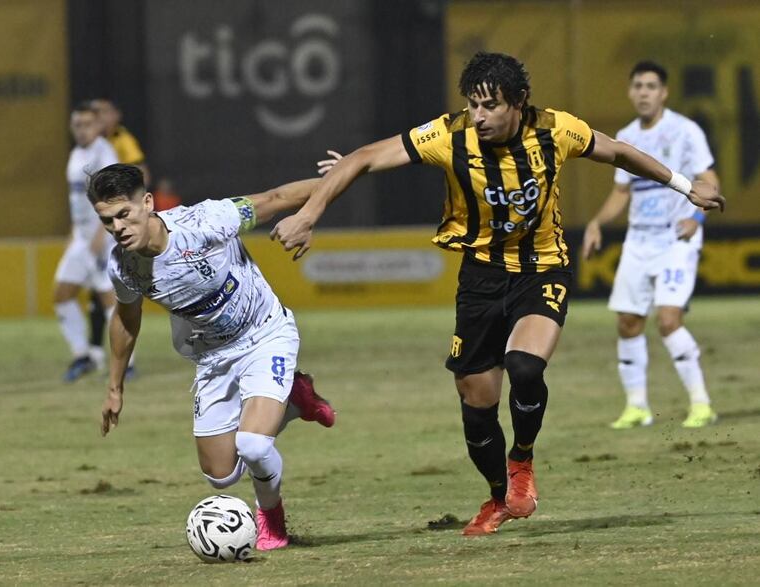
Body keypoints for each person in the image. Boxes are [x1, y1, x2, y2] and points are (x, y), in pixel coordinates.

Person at [271, 52, 724, 536]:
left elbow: (618, 151)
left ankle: (522, 462)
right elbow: (363, 159)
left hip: (542, 268)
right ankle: (497, 497)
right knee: (477, 404)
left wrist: (683, 186)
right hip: (481, 279)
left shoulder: (556, 129)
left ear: (519, 103)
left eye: (490, 106)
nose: (479, 116)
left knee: (526, 366)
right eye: (473, 105)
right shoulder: (451, 134)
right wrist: (309, 215)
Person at [89, 163, 335, 551]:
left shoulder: (206, 221)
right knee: (221, 476)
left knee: (253, 446)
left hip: (264, 333)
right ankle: (293, 399)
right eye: (107, 221)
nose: (118, 227)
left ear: (148, 203)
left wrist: (340, 178)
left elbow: (275, 199)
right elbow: (126, 318)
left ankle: (273, 522)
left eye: (124, 214)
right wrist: (114, 387)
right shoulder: (123, 266)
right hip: (211, 357)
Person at [582, 61, 720, 430]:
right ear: (630, 92)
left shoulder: (685, 131)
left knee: (669, 320)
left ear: (664, 92)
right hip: (638, 240)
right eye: (638, 86)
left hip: (677, 237)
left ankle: (701, 404)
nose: (643, 92)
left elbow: (708, 177)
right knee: (628, 322)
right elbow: (621, 192)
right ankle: (637, 406)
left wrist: (698, 217)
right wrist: (596, 222)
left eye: (651, 86)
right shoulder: (626, 137)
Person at [54, 101, 119, 382]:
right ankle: (84, 355)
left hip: (101, 238)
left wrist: (100, 234)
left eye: (87, 124)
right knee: (62, 295)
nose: (81, 129)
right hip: (81, 238)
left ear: (98, 126)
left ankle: (126, 362)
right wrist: (74, 234)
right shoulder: (76, 154)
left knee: (109, 299)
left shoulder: (104, 153)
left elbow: (113, 198)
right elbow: (78, 200)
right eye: (77, 124)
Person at [88, 98, 152, 370]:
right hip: (97, 224)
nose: (98, 118)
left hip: (116, 223)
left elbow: (142, 173)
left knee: (111, 287)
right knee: (96, 289)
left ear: (115, 115)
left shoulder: (122, 141)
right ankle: (93, 351)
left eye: (102, 113)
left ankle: (120, 358)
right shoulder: (93, 147)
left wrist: (129, 214)